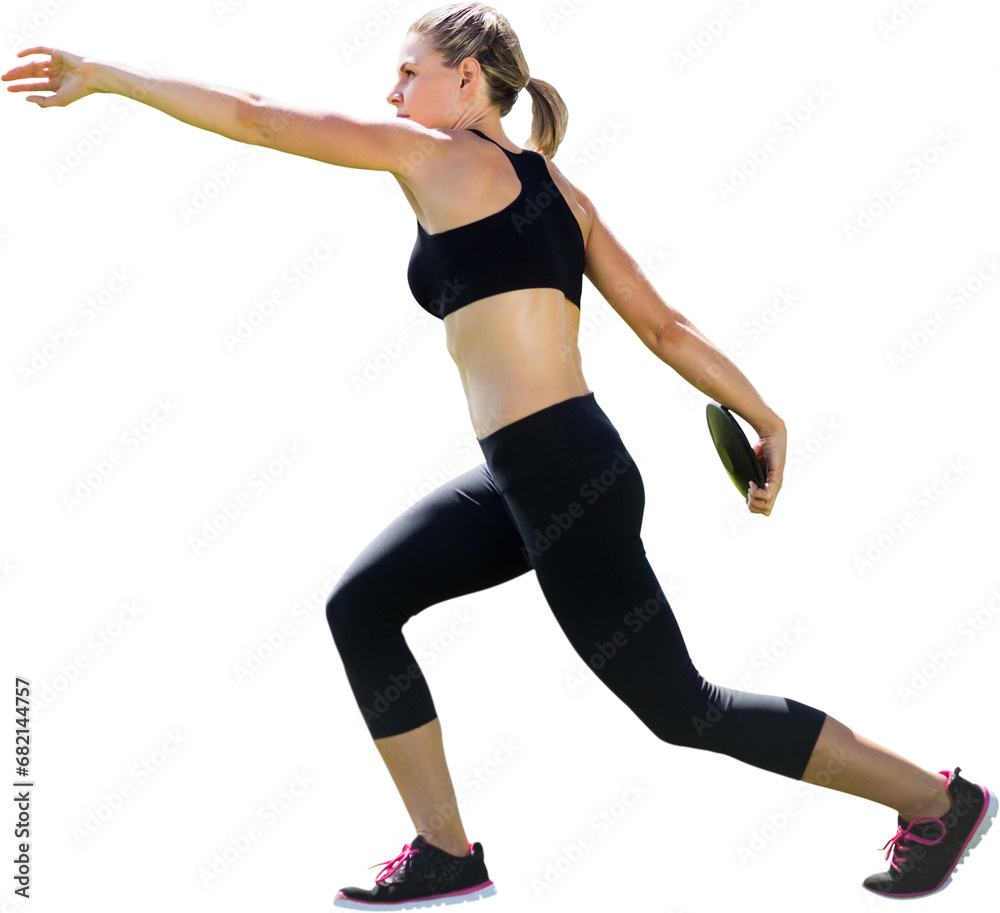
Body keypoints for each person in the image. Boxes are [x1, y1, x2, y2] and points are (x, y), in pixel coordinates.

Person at [6, 3, 993, 909]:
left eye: (406, 72)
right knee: (362, 604)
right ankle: (445, 852)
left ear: (469, 78)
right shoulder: (560, 191)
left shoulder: (433, 156)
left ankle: (935, 799)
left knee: (680, 708)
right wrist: (761, 414)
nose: (390, 94)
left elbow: (261, 117)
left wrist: (108, 75)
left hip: (560, 469)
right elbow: (664, 326)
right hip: (538, 470)